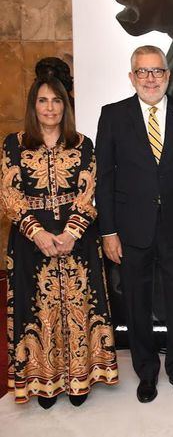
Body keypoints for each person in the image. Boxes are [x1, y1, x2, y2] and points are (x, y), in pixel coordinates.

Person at [95, 45, 173, 403]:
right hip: (131, 230)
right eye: (142, 72)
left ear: (168, 75)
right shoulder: (112, 116)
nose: (150, 78)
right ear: (131, 77)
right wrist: (108, 231)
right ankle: (146, 373)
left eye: (157, 71)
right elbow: (105, 179)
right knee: (137, 305)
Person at [1, 76, 118, 408]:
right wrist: (37, 232)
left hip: (77, 241)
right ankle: (45, 382)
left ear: (66, 107)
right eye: (42, 101)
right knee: (38, 310)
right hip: (30, 243)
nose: (50, 108)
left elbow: (91, 191)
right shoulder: (14, 143)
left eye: (56, 101)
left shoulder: (82, 144)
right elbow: (8, 194)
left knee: (79, 308)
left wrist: (71, 232)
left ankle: (80, 381)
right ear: (32, 105)